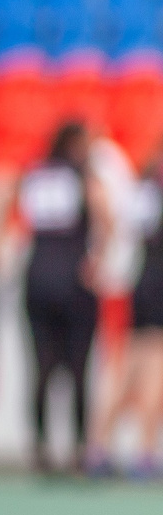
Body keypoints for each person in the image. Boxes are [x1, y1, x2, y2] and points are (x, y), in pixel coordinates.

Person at [15, 118, 113, 474]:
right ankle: (78, 449)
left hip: (37, 277)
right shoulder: (83, 175)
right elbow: (107, 216)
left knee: (41, 366)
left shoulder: (35, 173)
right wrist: (97, 258)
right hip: (73, 282)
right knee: (78, 367)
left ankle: (40, 446)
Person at [92, 148, 163, 477]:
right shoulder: (149, 192)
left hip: (142, 282)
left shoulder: (142, 192)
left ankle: (99, 447)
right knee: (154, 369)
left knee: (128, 365)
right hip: (157, 285)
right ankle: (144, 452)